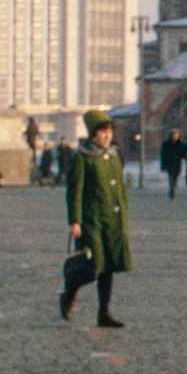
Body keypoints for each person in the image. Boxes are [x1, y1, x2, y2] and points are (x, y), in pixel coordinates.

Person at [61, 108, 132, 327]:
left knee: (108, 266)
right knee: (91, 266)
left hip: (112, 222)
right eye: (102, 132)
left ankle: (104, 313)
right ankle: (69, 294)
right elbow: (75, 191)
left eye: (110, 131)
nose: (107, 136)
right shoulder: (82, 158)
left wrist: (123, 218)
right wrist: (74, 220)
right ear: (93, 134)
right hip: (91, 222)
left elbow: (120, 190)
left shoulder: (113, 158)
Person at [159, 129, 184, 199]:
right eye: (174, 135)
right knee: (171, 176)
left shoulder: (180, 144)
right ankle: (172, 189)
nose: (175, 137)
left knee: (176, 176)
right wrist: (163, 165)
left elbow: (183, 153)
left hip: (177, 163)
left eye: (176, 135)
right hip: (169, 162)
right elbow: (163, 155)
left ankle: (174, 187)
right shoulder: (166, 144)